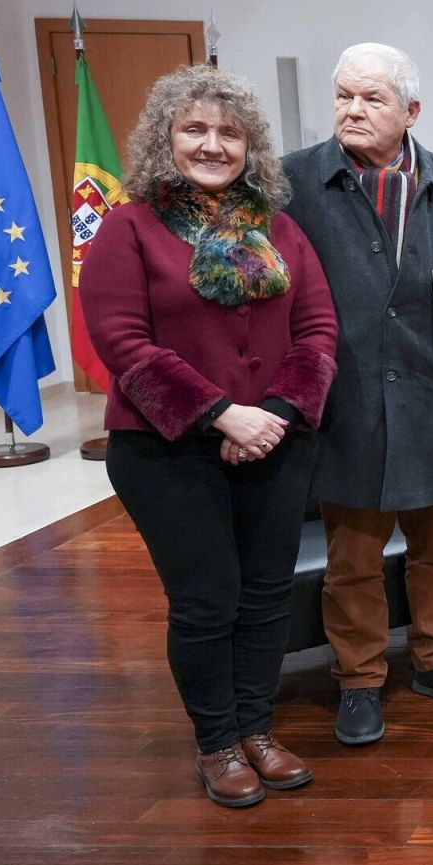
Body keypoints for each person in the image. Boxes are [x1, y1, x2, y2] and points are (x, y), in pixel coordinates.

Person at [82, 65, 337, 808]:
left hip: (277, 441)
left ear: (250, 147)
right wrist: (223, 414)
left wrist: (277, 416)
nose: (213, 145)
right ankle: (217, 743)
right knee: (207, 601)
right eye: (195, 129)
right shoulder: (127, 229)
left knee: (265, 597)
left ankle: (258, 729)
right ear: (165, 140)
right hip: (166, 453)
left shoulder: (279, 229)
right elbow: (125, 346)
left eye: (229, 133)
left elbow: (319, 332)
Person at [282, 43, 433, 746]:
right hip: (346, 400)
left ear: (411, 111)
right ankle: (358, 679)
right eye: (343, 96)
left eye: (371, 98)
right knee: (353, 556)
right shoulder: (292, 184)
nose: (352, 110)